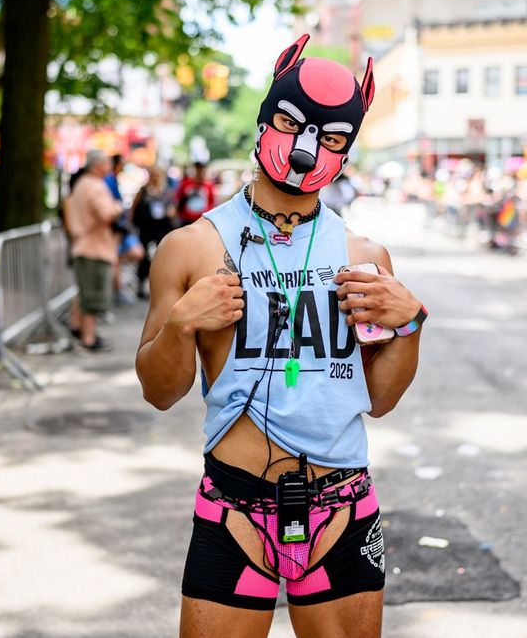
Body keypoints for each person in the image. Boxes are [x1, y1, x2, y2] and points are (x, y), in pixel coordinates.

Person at [136, 35, 426, 638]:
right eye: (292, 124)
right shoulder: (192, 247)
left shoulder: (365, 256)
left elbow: (381, 400)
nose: (304, 150)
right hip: (233, 507)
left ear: (346, 150)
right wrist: (182, 322)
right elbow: (159, 390)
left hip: (341, 506)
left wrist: (411, 324)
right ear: (266, 116)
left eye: (331, 139)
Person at [63, 149, 123, 351]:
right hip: (94, 249)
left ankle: (77, 327)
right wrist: (117, 207)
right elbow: (106, 214)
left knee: (84, 292)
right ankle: (88, 338)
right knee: (93, 296)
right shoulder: (96, 186)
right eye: (107, 162)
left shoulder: (81, 184)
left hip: (82, 246)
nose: (109, 166)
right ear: (98, 165)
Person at [129, 165, 177, 298]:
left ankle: (160, 286)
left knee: (162, 256)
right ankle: (141, 285)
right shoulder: (144, 190)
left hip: (161, 228)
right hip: (146, 228)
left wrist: (170, 213)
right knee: (144, 258)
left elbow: (172, 208)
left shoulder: (166, 191)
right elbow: (134, 207)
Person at [105, 154, 145, 306]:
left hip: (120, 229)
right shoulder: (108, 181)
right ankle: (117, 291)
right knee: (114, 259)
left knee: (127, 255)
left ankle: (117, 289)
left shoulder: (113, 180)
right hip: (114, 230)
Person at [176, 162, 216, 226]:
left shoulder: (209, 186)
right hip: (187, 220)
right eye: (198, 170)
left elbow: (212, 203)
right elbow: (179, 199)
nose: (200, 173)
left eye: (202, 171)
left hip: (202, 221)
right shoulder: (185, 183)